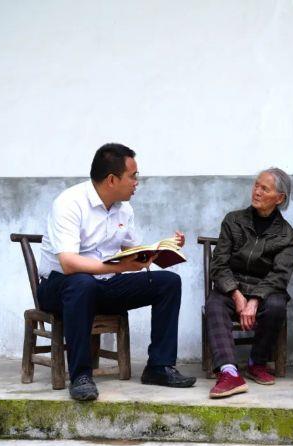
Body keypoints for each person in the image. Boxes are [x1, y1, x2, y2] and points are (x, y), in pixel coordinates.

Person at [37, 143, 196, 401]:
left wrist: (162, 247)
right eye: (133, 176)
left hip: (104, 285)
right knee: (82, 283)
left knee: (168, 282)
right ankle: (81, 376)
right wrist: (121, 267)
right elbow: (68, 264)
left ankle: (159, 367)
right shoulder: (69, 203)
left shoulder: (124, 209)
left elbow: (133, 251)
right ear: (112, 180)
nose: (136, 182)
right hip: (61, 287)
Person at [205, 168, 293, 399]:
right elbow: (219, 264)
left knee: (276, 306)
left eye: (264, 188)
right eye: (256, 185)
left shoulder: (287, 235)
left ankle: (257, 363)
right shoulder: (233, 220)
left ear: (280, 198)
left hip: (264, 290)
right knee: (215, 304)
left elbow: (280, 274)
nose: (257, 191)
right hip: (232, 285)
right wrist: (236, 294)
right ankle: (228, 372)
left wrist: (254, 299)